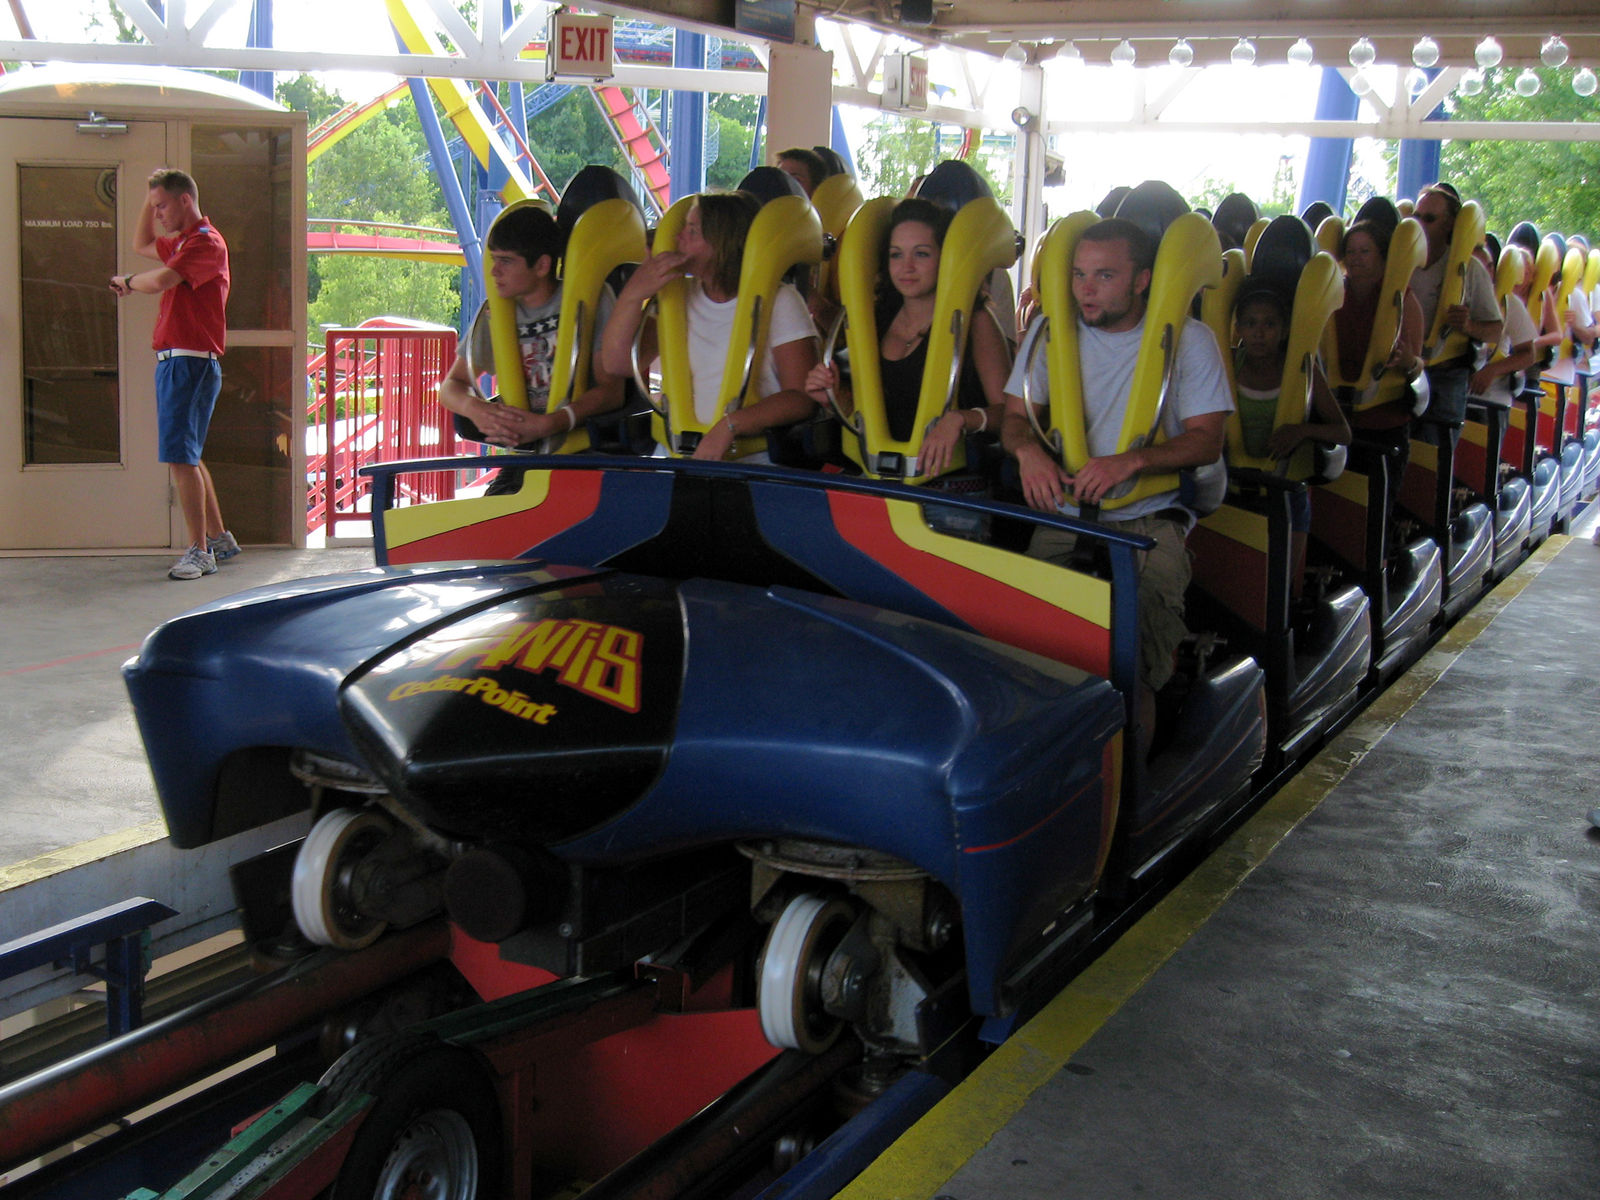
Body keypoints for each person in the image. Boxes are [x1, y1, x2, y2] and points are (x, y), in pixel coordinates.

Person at [1001, 217, 1232, 750]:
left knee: (1134, 663)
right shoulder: (1050, 331)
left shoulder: (1190, 339)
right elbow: (1014, 419)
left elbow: (1207, 441)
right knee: (1026, 649)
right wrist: (1028, 451)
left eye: (1104, 276)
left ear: (1142, 280)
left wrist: (1131, 462)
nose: (1086, 289)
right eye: (1079, 274)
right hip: (1067, 514)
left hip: (1148, 521)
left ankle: (1132, 786)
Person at [599, 190, 819, 462]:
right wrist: (634, 294)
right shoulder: (677, 295)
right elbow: (617, 363)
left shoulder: (780, 300)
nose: (678, 238)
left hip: (750, 458)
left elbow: (801, 397)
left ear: (724, 245)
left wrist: (730, 425)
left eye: (692, 232)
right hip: (677, 452)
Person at [804, 197, 1010, 479]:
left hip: (950, 484)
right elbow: (863, 414)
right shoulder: (874, 319)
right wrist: (830, 395)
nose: (907, 267)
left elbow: (1010, 415)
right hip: (879, 478)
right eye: (896, 255)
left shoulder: (976, 321)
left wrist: (962, 419)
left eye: (921, 254)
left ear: (945, 258)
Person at [437, 205, 623, 496]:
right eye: (494, 260)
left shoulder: (590, 300)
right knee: (491, 518)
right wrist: (478, 410)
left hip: (586, 452)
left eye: (506, 261)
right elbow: (451, 386)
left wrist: (550, 424)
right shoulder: (495, 314)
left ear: (542, 266)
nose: (494, 271)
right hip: (524, 457)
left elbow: (612, 391)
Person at [110, 168, 238, 581]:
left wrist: (129, 281)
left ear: (186, 200)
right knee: (189, 454)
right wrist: (148, 199)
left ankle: (200, 552)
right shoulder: (184, 242)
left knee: (181, 459)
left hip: (189, 361)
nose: (158, 214)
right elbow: (141, 243)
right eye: (155, 207)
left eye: (162, 205)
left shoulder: (204, 242)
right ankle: (218, 538)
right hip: (180, 361)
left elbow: (163, 279)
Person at [1231, 286, 1350, 598]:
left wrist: (1302, 431)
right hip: (1232, 492)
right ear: (1238, 328)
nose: (1259, 333)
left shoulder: (1303, 369)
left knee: (1277, 592)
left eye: (1269, 324)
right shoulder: (1228, 364)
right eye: (1251, 323)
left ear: (1284, 331)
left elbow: (1343, 432)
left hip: (1285, 495)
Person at [1410, 183, 1503, 445]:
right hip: (1404, 373)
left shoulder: (1469, 268)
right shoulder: (1403, 261)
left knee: (1435, 453)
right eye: (1416, 217)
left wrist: (1469, 325)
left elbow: (1496, 330)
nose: (1420, 224)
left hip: (1446, 377)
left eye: (1429, 219)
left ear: (1449, 224)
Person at [1332, 219, 1425, 454]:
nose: (1356, 258)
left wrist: (1408, 361)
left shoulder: (1403, 299)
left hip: (1384, 422)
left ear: (1382, 256)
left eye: (1364, 251)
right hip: (1337, 418)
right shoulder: (1333, 294)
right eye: (1350, 251)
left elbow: (1418, 366)